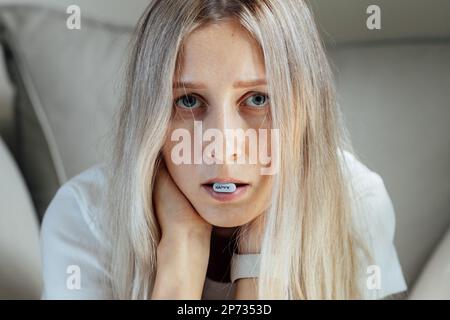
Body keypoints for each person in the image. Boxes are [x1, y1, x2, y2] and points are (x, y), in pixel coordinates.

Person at [41, 0, 407, 299]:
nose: (223, 149)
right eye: (188, 101)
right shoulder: (84, 219)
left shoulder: (357, 202)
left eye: (258, 98)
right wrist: (180, 255)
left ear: (306, 109)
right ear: (150, 116)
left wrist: (258, 265)